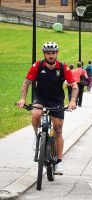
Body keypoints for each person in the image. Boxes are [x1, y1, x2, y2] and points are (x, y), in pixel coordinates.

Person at [16, 42, 78, 175]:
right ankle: (37, 136)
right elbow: (26, 82)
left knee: (58, 130)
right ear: (44, 54)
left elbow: (74, 86)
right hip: (41, 98)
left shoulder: (63, 67)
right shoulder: (37, 65)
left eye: (53, 53)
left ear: (57, 53)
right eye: (48, 53)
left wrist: (72, 101)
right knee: (36, 114)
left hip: (57, 100)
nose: (50, 56)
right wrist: (22, 99)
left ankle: (59, 162)